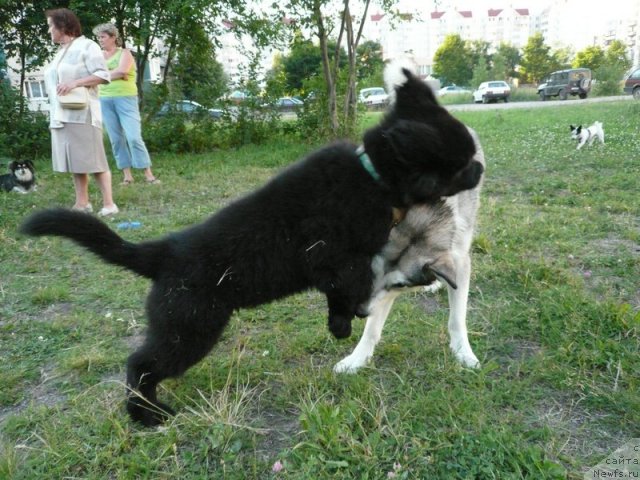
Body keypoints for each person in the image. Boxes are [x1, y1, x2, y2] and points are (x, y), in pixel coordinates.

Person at [43, 8, 119, 216]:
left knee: (94, 159)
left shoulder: (87, 45)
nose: (49, 30)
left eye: (51, 26)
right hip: (62, 114)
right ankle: (82, 203)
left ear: (63, 26)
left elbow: (103, 75)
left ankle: (109, 204)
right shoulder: (61, 52)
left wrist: (75, 82)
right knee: (76, 161)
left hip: (82, 113)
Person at [92, 23, 159, 185]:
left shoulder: (125, 53)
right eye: (98, 37)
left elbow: (122, 71)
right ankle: (127, 176)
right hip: (105, 100)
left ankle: (148, 173)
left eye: (103, 37)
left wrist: (105, 75)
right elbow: (93, 75)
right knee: (116, 140)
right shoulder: (97, 56)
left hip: (126, 98)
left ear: (113, 37)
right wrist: (113, 74)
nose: (100, 40)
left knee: (134, 137)